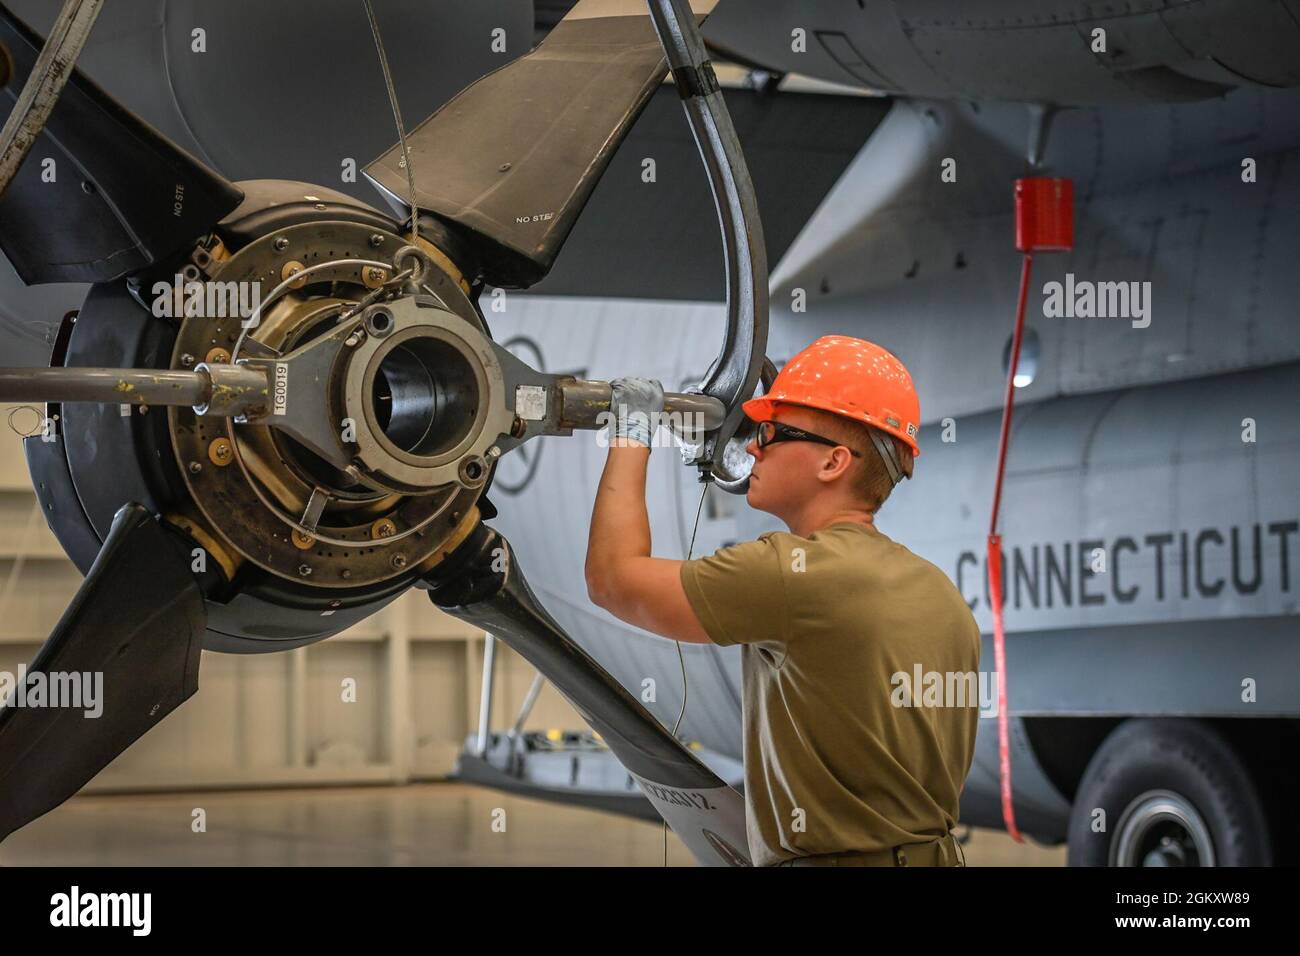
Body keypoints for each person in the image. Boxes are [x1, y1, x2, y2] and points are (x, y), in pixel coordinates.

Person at [585, 335, 981, 867]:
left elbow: (611, 578)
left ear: (834, 463)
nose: (753, 447)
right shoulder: (940, 592)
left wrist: (631, 431)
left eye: (773, 433)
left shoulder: (793, 573)